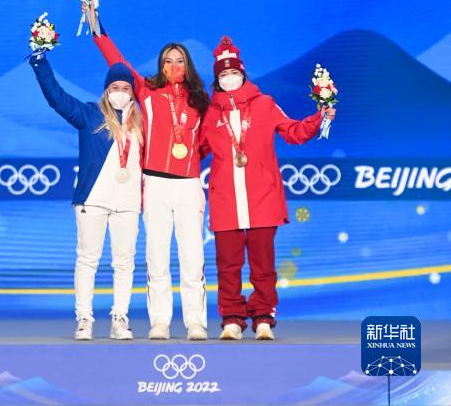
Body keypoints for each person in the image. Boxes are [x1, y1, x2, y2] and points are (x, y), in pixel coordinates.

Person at [200, 36, 336, 341]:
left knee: (263, 264)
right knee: (228, 265)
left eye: (234, 73)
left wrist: (320, 116)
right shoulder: (210, 114)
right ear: (217, 79)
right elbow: (194, 150)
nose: (229, 78)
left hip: (262, 198)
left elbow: (294, 132)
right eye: (224, 74)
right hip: (226, 201)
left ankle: (263, 316)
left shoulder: (265, 104)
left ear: (243, 74)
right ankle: (232, 319)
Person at [91, 21, 210, 340]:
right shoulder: (147, 90)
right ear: (160, 65)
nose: (174, 66)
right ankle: (160, 321)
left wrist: (190, 158)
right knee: (156, 256)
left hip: (188, 185)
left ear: (188, 65)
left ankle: (195, 321)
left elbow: (207, 141)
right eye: (168, 61)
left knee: (192, 256)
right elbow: (117, 61)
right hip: (155, 184)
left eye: (180, 60)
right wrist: (96, 27)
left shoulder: (200, 100)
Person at [29, 43, 143, 340]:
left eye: (125, 88)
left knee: (124, 263)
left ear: (133, 92)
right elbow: (57, 98)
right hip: (92, 201)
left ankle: (120, 318)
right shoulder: (89, 114)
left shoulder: (143, 122)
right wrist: (40, 62)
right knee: (87, 261)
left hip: (129, 202)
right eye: (115, 87)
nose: (120, 92)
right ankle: (84, 319)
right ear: (106, 91)